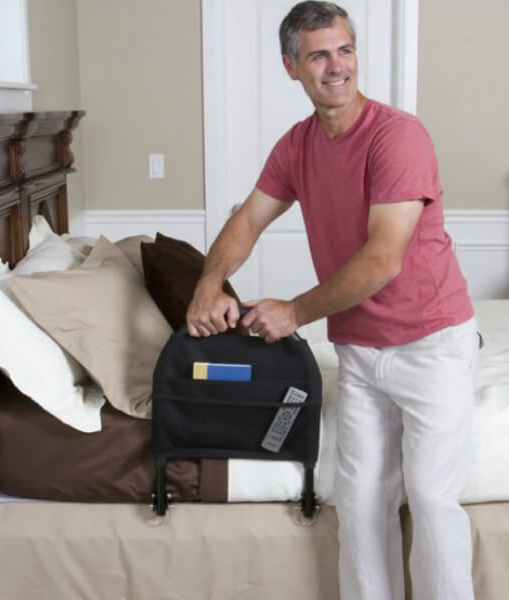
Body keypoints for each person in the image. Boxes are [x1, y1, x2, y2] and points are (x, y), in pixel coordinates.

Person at [187, 1, 478, 598]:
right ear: (291, 67)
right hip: (360, 353)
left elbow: (383, 258)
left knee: (430, 498)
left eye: (344, 50)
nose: (337, 66)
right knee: (361, 502)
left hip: (431, 345)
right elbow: (248, 219)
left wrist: (294, 312)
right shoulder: (297, 146)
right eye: (318, 55)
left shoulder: (398, 137)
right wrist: (208, 283)